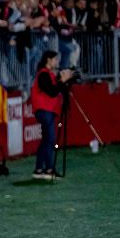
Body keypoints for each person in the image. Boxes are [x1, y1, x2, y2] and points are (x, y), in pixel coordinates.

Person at [30, 51, 74, 180]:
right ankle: (49, 169)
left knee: (46, 140)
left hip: (47, 110)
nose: (57, 62)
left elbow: (56, 89)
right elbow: (52, 92)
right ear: (48, 60)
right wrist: (62, 81)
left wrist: (63, 81)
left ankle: (39, 169)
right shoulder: (44, 74)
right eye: (55, 59)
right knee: (50, 140)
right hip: (44, 110)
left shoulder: (48, 74)